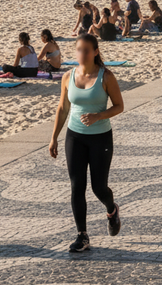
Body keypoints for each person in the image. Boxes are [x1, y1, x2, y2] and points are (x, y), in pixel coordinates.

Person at [48, 35, 124, 252]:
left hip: (100, 137)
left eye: (86, 50)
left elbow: (119, 106)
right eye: (79, 50)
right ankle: (82, 235)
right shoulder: (68, 76)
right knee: (76, 186)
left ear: (96, 52)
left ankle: (111, 209)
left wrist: (98, 116)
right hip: (75, 137)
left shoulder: (106, 77)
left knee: (98, 187)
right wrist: (54, 137)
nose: (82, 54)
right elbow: (63, 108)